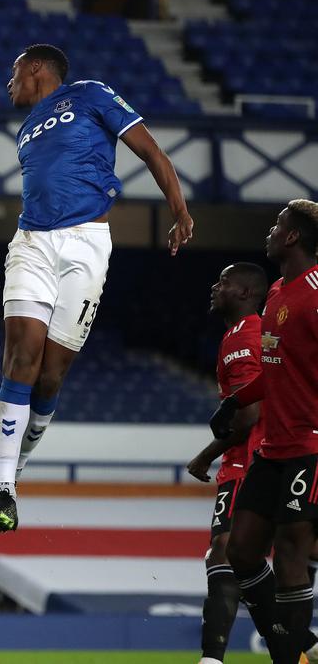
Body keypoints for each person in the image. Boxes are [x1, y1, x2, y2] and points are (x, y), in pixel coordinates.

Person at [0, 43, 194, 537]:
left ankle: (13, 466)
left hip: (87, 244)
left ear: (35, 67)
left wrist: (179, 209)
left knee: (51, 377)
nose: (8, 84)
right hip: (31, 242)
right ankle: (5, 488)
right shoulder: (25, 129)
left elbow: (151, 150)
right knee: (22, 357)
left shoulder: (91, 94)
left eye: (13, 73)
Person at [213, 200, 318, 663]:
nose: (271, 231)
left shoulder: (316, 294)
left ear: (293, 237)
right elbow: (275, 371)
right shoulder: (277, 291)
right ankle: (296, 647)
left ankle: (289, 657)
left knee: (293, 550)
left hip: (310, 445)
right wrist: (236, 399)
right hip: (272, 450)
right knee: (241, 551)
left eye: (278, 225)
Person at [186, 263, 269, 664]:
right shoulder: (246, 333)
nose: (215, 286)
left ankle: (212, 658)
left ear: (245, 293)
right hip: (266, 457)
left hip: (247, 461)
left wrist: (206, 454)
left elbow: (249, 415)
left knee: (223, 552)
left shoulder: (244, 336)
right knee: (252, 557)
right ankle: (299, 643)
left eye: (224, 282)